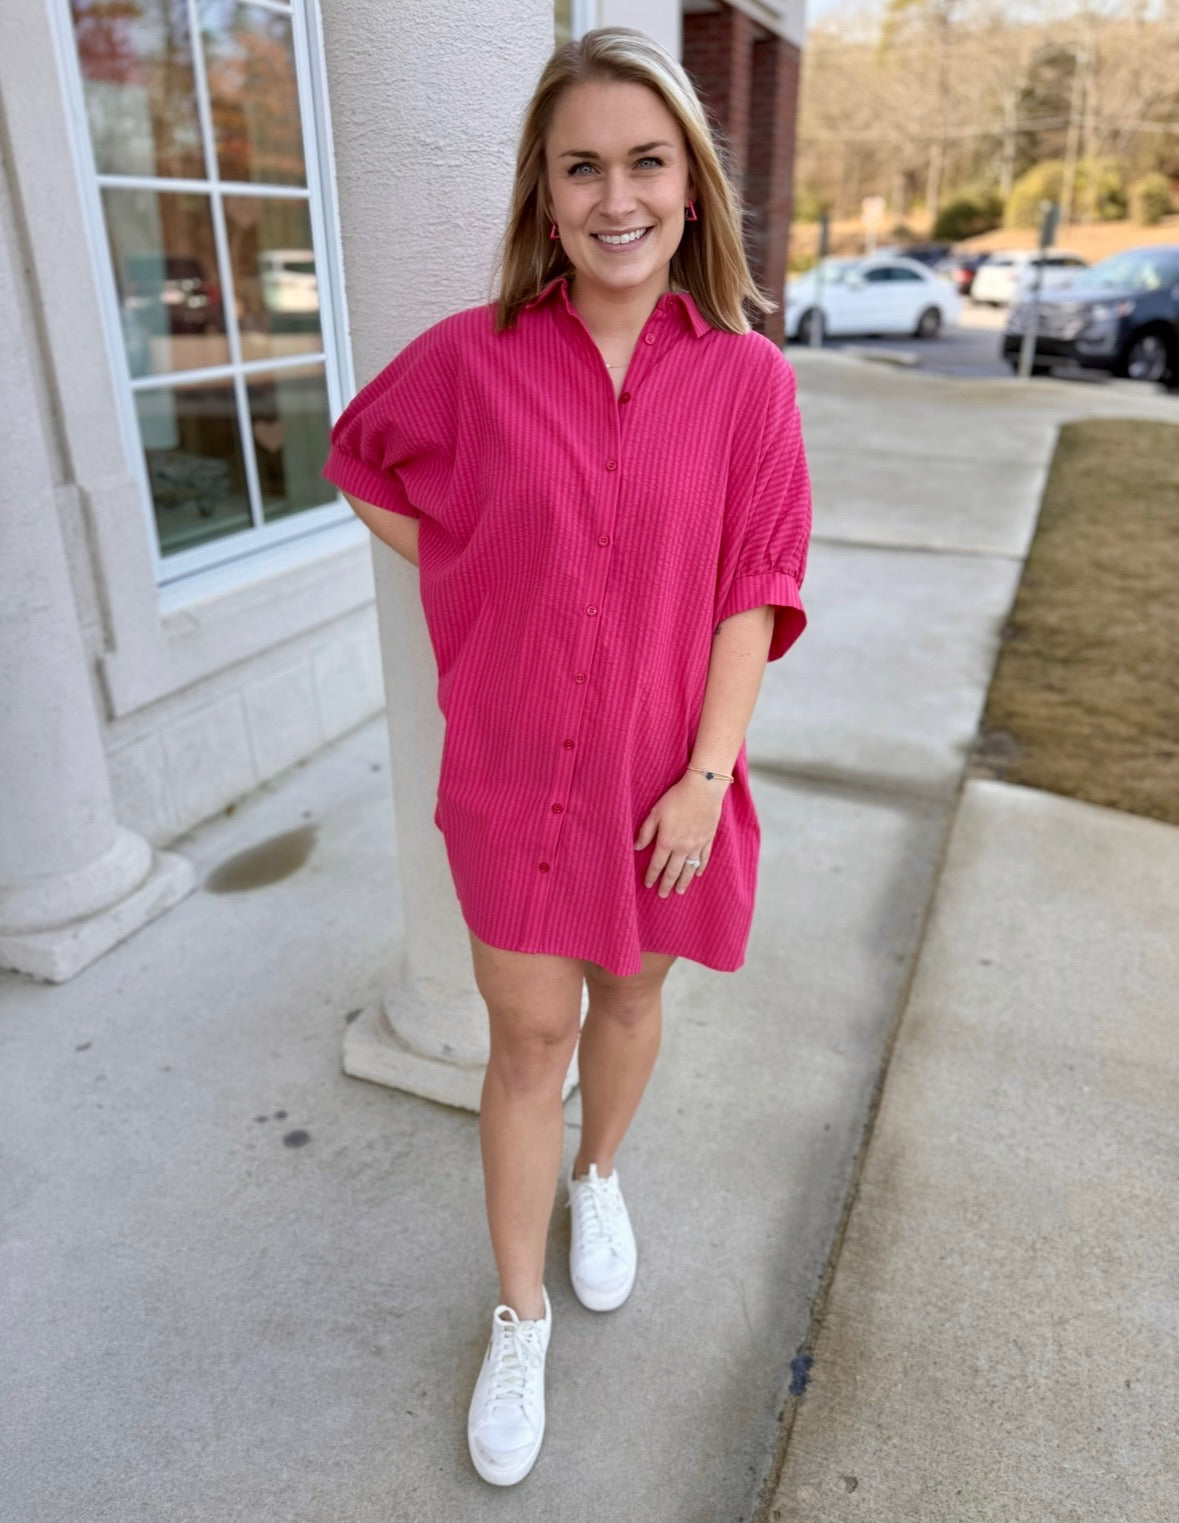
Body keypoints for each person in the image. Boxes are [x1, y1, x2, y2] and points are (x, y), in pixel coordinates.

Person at [322, 26, 812, 1488]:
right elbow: (361, 458)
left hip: (669, 779)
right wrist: (466, 567)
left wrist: (708, 771)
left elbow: (754, 581)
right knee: (526, 1041)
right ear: (544, 196)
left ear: (690, 186)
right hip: (515, 778)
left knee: (632, 996)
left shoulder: (745, 379)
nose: (616, 196)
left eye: (645, 162)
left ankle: (601, 1180)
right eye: (582, 166)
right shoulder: (471, 365)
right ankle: (518, 1310)